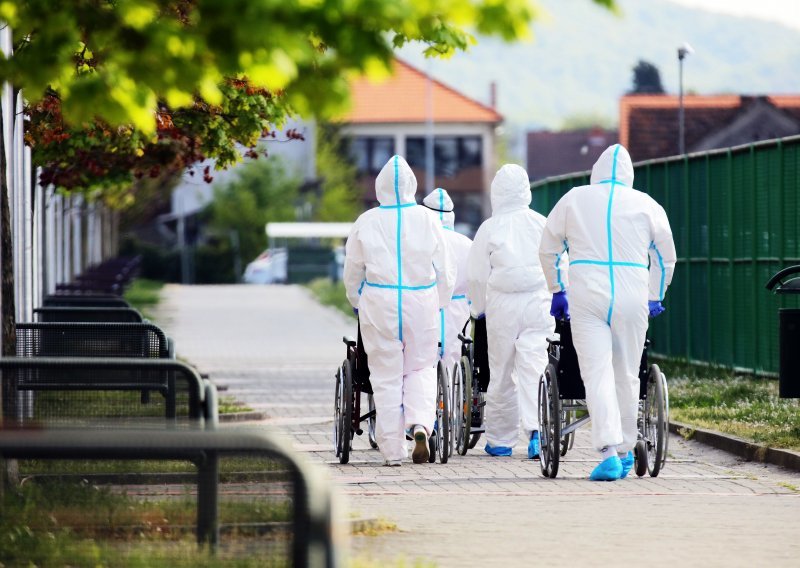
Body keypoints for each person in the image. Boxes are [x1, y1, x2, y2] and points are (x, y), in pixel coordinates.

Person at [538, 144, 676, 481]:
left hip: (588, 293)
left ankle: (609, 452)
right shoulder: (647, 204)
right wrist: (655, 294)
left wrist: (557, 288)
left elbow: (549, 248)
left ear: (596, 171)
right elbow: (665, 256)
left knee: (596, 373)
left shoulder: (574, 199)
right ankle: (628, 448)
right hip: (632, 292)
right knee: (628, 373)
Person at [344, 155, 455, 466]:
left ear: (380, 187)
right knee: (421, 367)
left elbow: (352, 271)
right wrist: (441, 301)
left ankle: (393, 451)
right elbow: (446, 269)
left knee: (386, 375)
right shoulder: (427, 219)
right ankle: (420, 425)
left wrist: (357, 299)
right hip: (421, 301)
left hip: (380, 303)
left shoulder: (365, 221)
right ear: (412, 186)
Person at [467, 164, 553, 459]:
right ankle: (538, 431)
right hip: (538, 301)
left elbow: (477, 276)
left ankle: (501, 441)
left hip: (502, 304)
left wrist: (478, 309)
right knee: (534, 366)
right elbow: (558, 262)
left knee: (502, 372)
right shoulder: (541, 223)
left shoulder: (490, 227)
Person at [422, 188, 473, 376]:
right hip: (458, 310)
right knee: (455, 362)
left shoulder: (421, 241)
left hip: (426, 305)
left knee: (424, 363)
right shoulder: (466, 244)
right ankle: (452, 402)